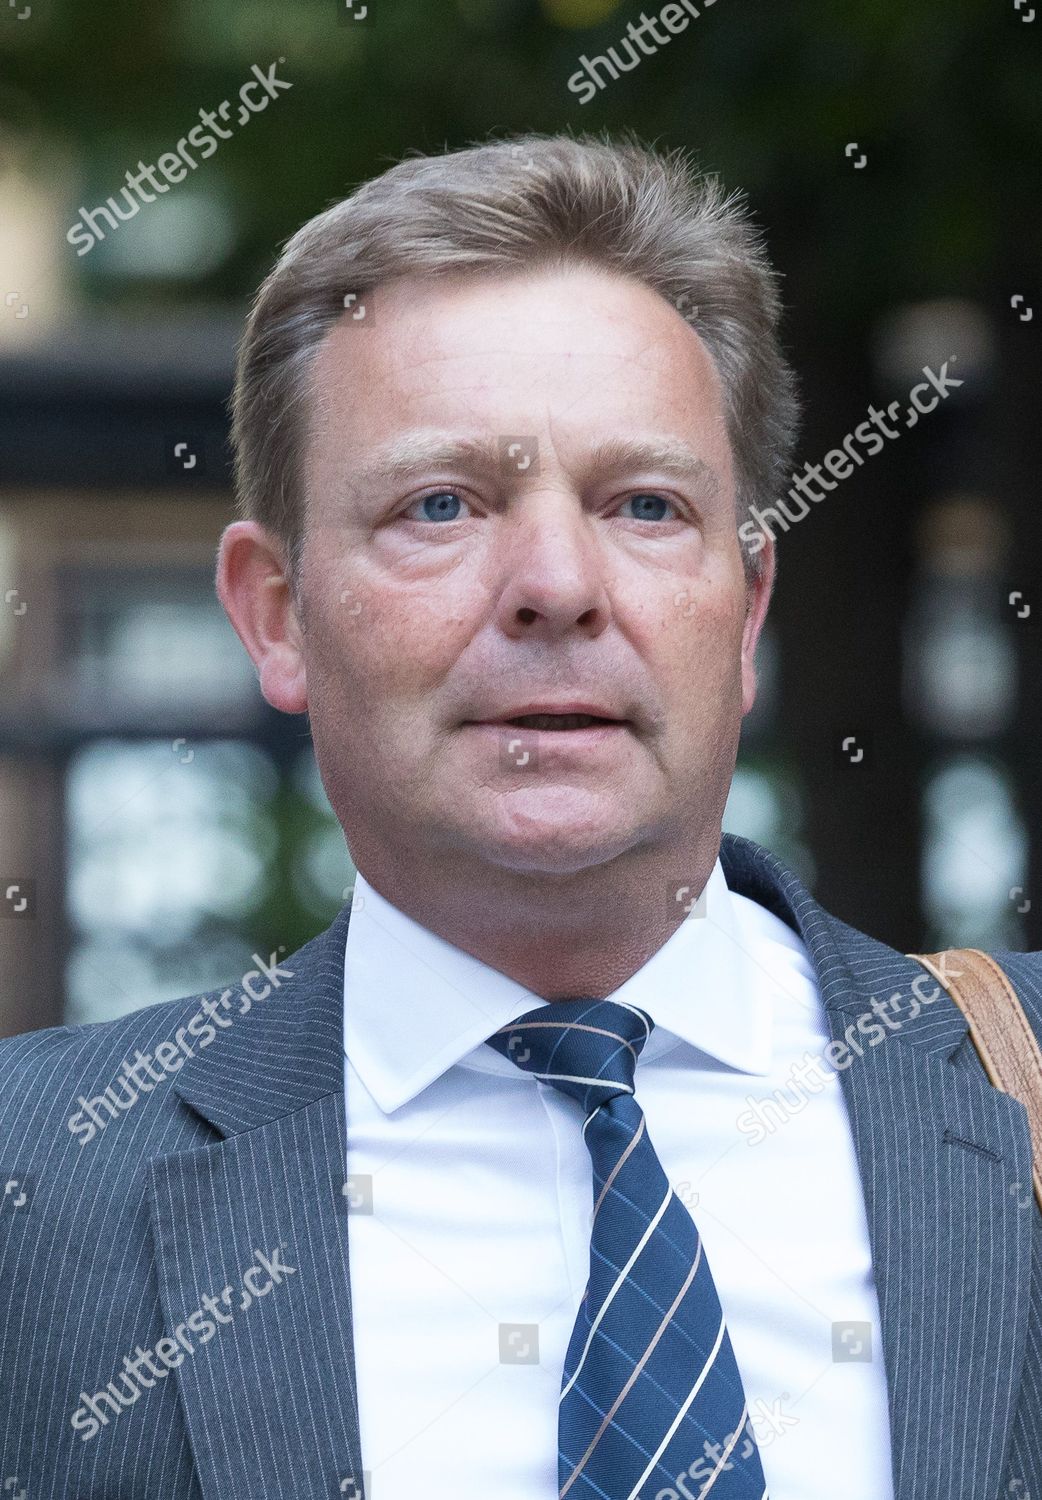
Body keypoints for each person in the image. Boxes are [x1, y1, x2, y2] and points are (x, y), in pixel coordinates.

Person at [1, 132, 1039, 1500]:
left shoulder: (1005, 1105)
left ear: (748, 612)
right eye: (442, 504)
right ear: (274, 613)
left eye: (645, 505)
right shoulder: (35, 1194)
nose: (556, 582)